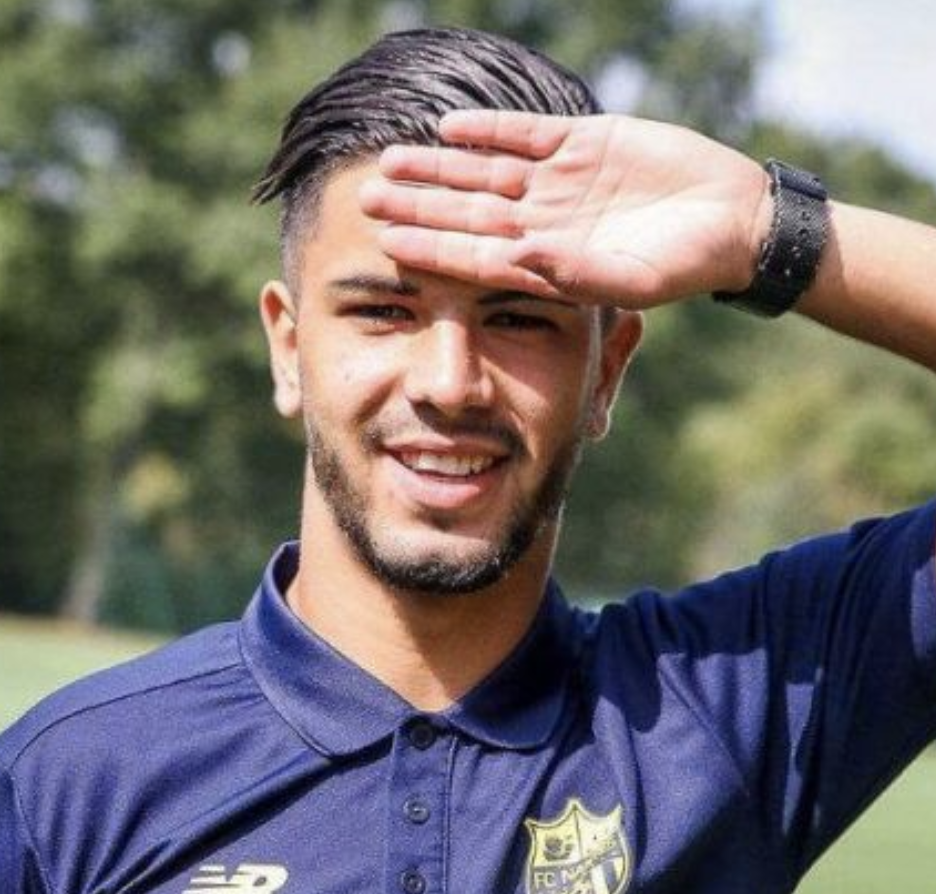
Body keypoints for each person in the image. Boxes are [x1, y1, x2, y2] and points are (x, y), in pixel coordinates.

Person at [2, 25, 936, 894]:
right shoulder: (69, 785)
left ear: (607, 372)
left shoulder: (737, 710)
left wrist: (765, 230)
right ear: (288, 349)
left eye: (519, 317)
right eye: (383, 311)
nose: (450, 384)